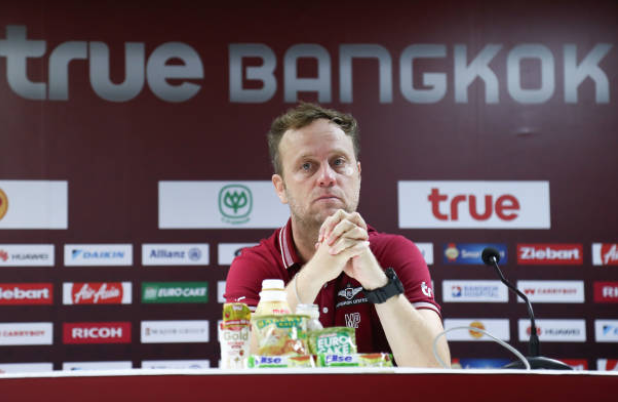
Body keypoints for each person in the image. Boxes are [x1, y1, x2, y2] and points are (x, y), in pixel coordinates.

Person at [225, 103, 450, 367]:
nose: (327, 177)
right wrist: (315, 273)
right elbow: (240, 367)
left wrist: (379, 283)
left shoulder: (395, 253)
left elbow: (436, 371)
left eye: (339, 162)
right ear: (281, 188)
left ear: (358, 175)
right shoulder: (254, 265)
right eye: (307, 166)